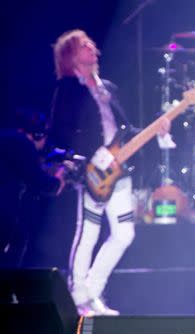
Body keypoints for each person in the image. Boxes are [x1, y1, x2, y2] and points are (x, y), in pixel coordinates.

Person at [48, 29, 171, 316]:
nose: (92, 46)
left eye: (92, 42)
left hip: (119, 173)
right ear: (70, 55)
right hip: (93, 174)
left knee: (124, 233)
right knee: (87, 233)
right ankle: (78, 294)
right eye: (84, 44)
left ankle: (93, 290)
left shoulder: (108, 88)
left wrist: (158, 129)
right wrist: (88, 155)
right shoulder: (68, 89)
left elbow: (125, 132)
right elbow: (59, 133)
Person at [0, 109, 65, 267]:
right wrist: (59, 177)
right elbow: (40, 181)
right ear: (37, 134)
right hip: (4, 212)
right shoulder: (22, 144)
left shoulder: (7, 138)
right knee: (16, 242)